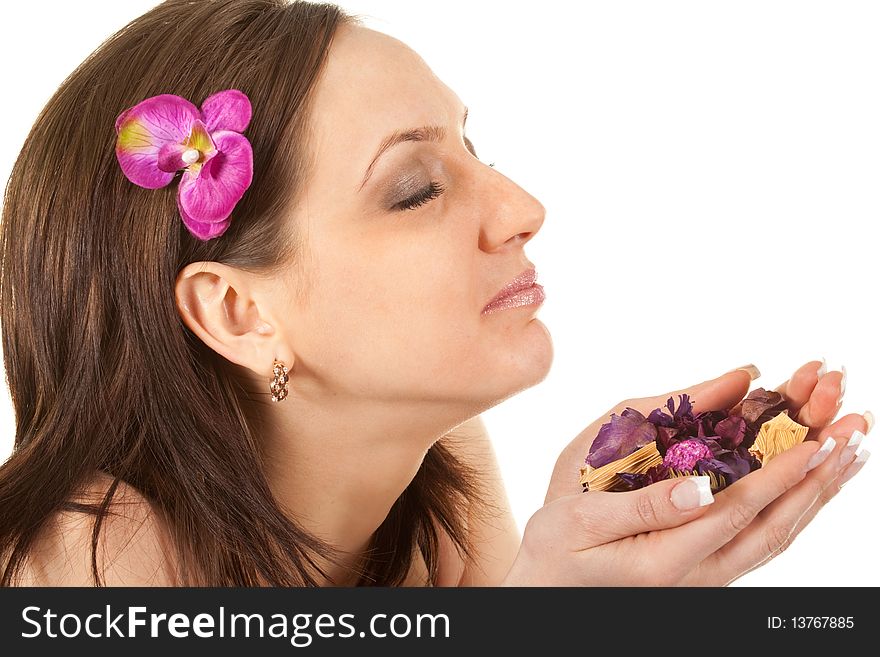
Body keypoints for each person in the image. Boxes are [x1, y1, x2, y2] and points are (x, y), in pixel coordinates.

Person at [0, 0, 870, 587]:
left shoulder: (441, 467)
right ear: (242, 312)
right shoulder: (85, 563)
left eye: (475, 151)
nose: (524, 210)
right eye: (415, 188)